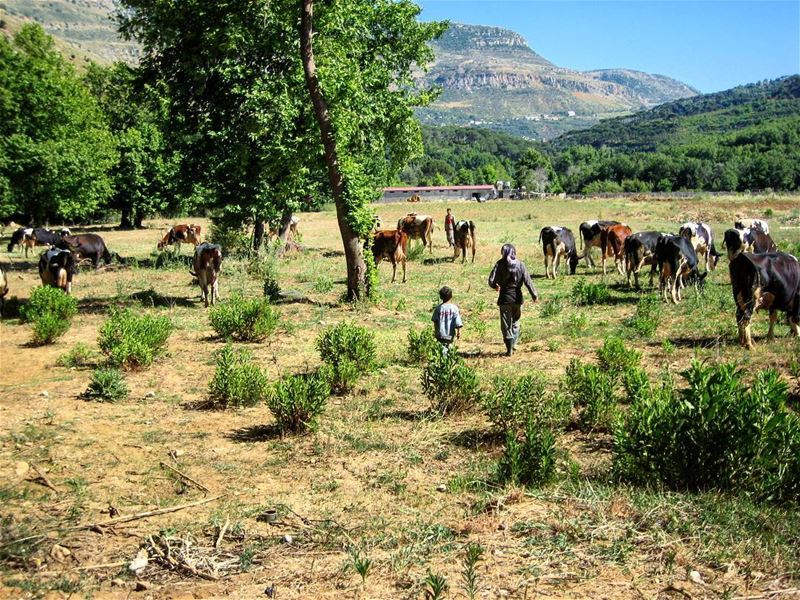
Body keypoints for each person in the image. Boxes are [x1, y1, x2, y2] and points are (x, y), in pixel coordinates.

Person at [488, 244, 538, 356]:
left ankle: (509, 348)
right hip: (517, 299)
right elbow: (528, 281)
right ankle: (514, 343)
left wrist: (495, 286)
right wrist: (534, 295)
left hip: (505, 299)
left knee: (506, 324)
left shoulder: (499, 264)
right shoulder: (521, 265)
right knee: (516, 322)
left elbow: (491, 280)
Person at [431, 286, 463, 350]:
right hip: (450, 336)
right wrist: (459, 332)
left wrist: (436, 332)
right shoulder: (454, 308)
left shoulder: (438, 308)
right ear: (451, 296)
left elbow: (435, 321)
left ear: (440, 297)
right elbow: (458, 323)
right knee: (449, 350)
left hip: (440, 335)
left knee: (440, 351)